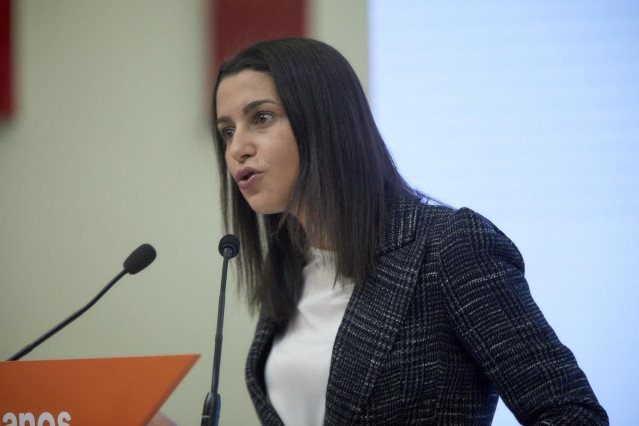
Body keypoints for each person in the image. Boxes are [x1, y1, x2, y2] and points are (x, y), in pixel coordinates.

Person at [211, 37, 608, 425]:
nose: (236, 148)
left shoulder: (450, 247)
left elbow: (571, 414)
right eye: (227, 131)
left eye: (261, 118)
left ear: (325, 119)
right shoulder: (290, 275)